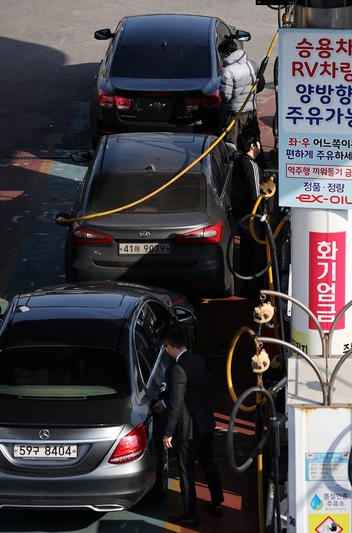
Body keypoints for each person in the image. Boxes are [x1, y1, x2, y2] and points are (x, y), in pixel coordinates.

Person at [159, 324, 224, 526]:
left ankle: (190, 514)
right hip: (205, 423)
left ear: (170, 346)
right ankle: (217, 502)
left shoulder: (177, 368)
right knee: (208, 462)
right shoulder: (198, 361)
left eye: (165, 348)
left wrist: (168, 433)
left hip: (187, 430)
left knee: (186, 471)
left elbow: (176, 403)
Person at [231, 130, 269, 293]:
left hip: (241, 214)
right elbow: (255, 193)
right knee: (257, 251)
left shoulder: (239, 162)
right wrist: (262, 215)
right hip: (252, 215)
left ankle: (245, 282)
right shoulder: (251, 165)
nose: (260, 145)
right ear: (253, 145)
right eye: (258, 142)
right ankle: (254, 284)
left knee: (246, 249)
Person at [218, 39, 259, 147]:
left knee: (231, 143)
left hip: (235, 113)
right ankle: (258, 162)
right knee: (254, 140)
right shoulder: (252, 64)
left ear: (226, 53)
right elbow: (261, 84)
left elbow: (226, 96)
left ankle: (233, 163)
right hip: (252, 110)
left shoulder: (228, 70)